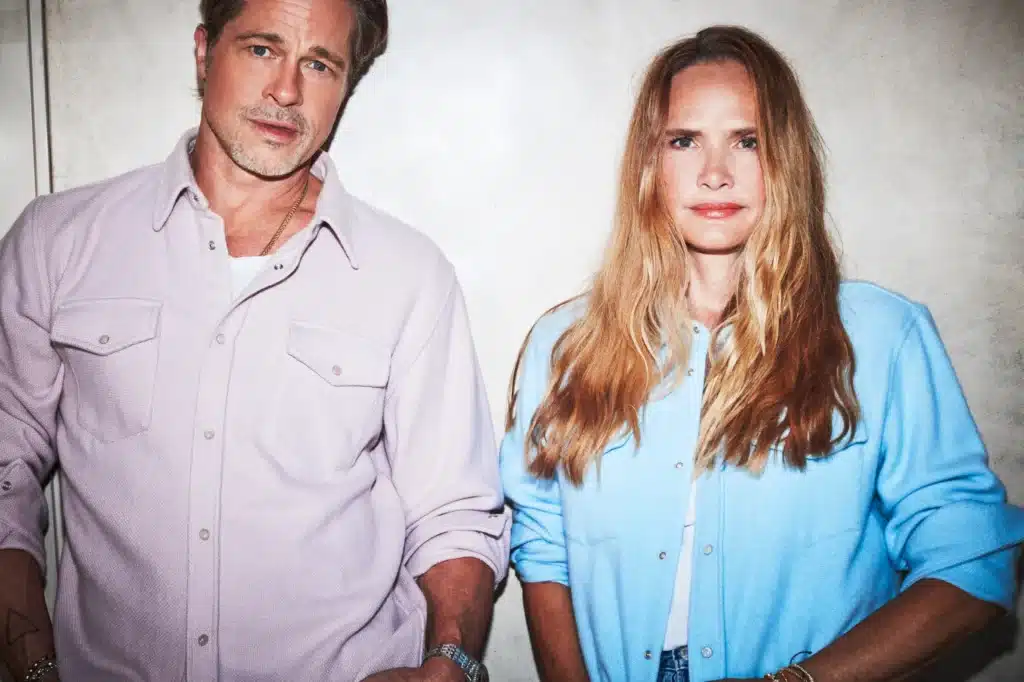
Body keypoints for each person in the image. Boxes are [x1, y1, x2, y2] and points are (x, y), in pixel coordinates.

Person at [500, 24, 1024, 682]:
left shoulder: (884, 337)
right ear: (648, 165)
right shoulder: (564, 346)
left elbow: (971, 560)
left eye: (747, 141)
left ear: (785, 158)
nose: (715, 172)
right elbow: (545, 546)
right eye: (684, 140)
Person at [0, 1, 506, 680]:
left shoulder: (409, 276)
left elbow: (455, 512)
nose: (287, 91)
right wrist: (30, 662)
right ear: (205, 52)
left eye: (319, 64)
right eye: (263, 49)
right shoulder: (57, 242)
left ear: (346, 86)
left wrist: (448, 662)